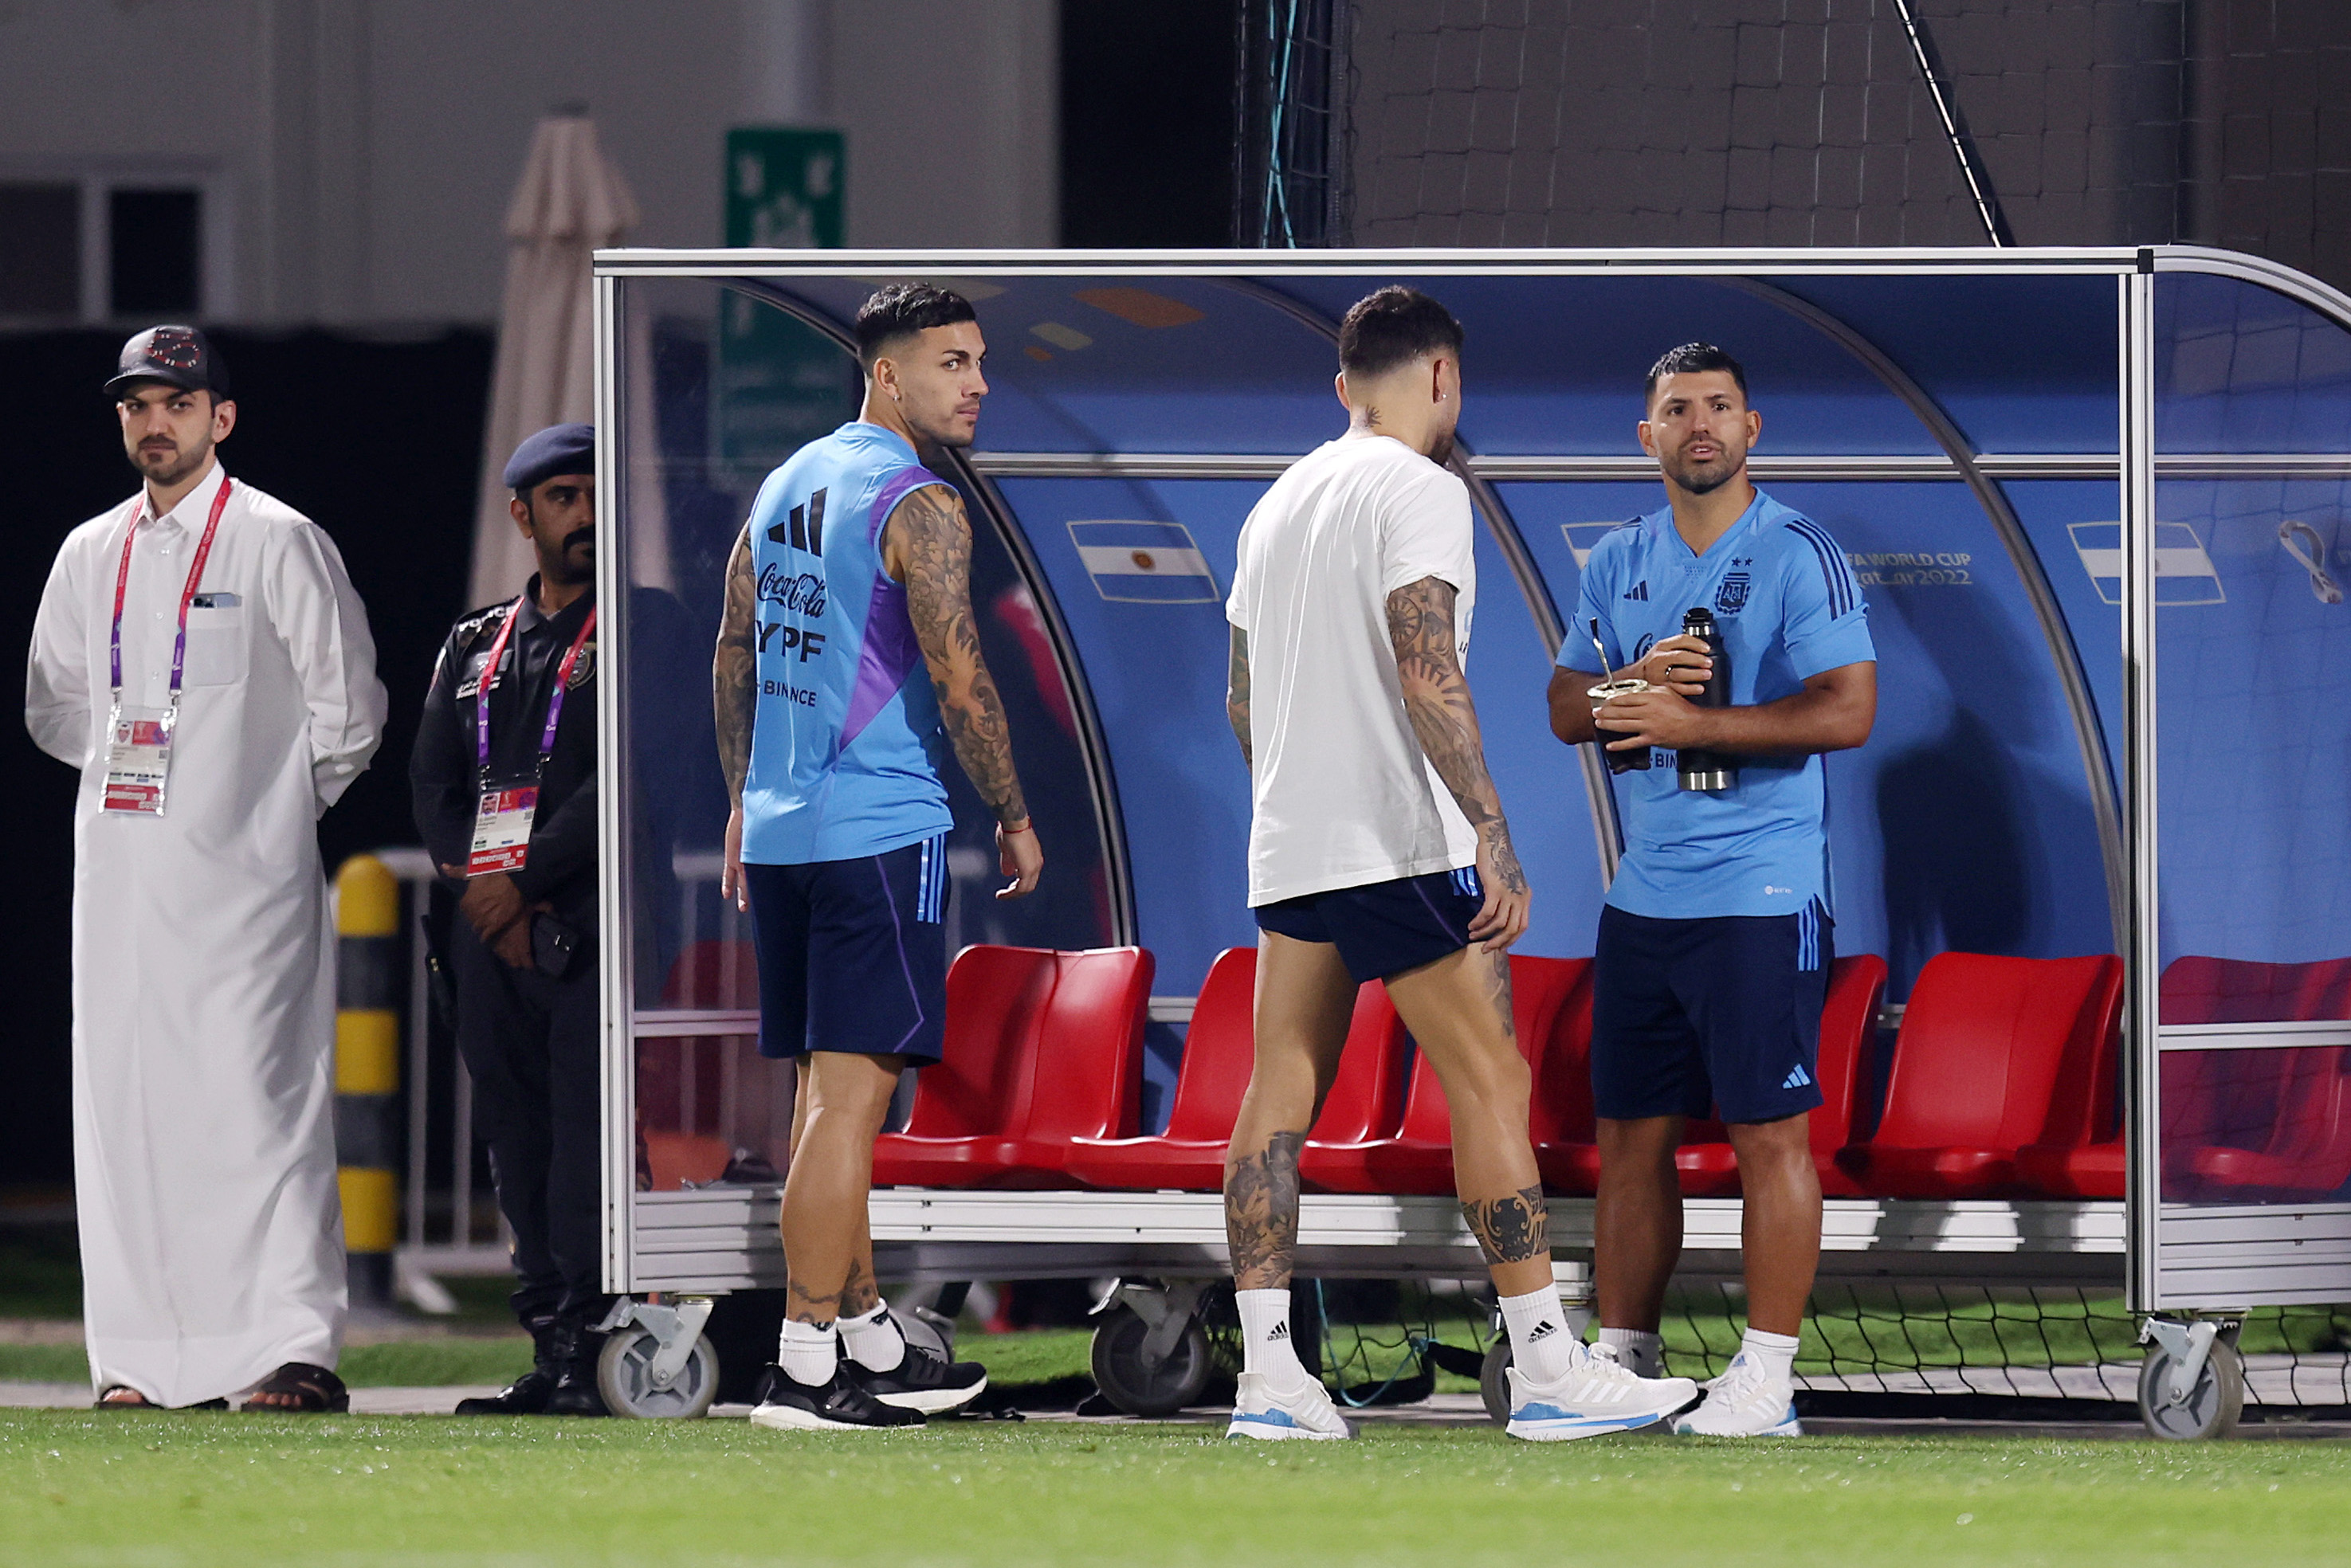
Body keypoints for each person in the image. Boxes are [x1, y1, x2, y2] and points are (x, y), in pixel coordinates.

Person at [1219, 286, 1698, 1443]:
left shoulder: (1275, 504)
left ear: (1345, 385)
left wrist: (1307, 794)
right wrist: (1488, 828)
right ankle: (1544, 1363)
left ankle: (1268, 1380)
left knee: (1276, 1089)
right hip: (1398, 839)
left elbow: (1239, 702)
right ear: (1440, 378)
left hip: (1294, 842)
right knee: (1490, 1081)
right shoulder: (1423, 490)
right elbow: (1428, 671)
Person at [26, 325, 386, 1413]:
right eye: (137, 404)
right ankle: (140, 1362)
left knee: (261, 1107)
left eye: (176, 403)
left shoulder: (279, 539)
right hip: (125, 886)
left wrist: (262, 812)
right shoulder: (90, 551)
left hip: (252, 890)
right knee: (125, 1108)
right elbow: (55, 704)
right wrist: (149, 800)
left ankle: (290, 1349)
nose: (155, 422)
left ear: (218, 419)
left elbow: (349, 713)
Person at [714, 283, 1041, 1433]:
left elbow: (735, 645)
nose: (977, 383)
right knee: (847, 1107)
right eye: (953, 362)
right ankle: (805, 1362)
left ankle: (861, 1332)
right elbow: (960, 678)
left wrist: (741, 802)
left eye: (979, 361)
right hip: (877, 826)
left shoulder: (790, 480)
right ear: (888, 375)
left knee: (820, 1097)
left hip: (790, 825)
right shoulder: (921, 503)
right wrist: (1011, 808)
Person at [1546, 343, 1878, 1438]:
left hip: (1760, 892)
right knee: (1628, 1140)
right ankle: (1625, 1363)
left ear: (1751, 430)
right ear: (1645, 437)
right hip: (1644, 901)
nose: (1700, 425)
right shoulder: (1617, 558)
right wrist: (1632, 681)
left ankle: (1765, 1376)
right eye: (1677, 409)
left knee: (1765, 1136)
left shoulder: (1796, 550)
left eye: (1720, 407)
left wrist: (1698, 727)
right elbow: (1562, 707)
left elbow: (1844, 711)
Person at [410, 422, 611, 1416]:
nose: (583, 514)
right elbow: (436, 786)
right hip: (487, 937)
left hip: (590, 926)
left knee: (584, 1141)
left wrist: (522, 886)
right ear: (522, 515)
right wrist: (486, 901)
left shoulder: (636, 623)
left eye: (592, 493)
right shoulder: (472, 642)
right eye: (562, 497)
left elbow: (618, 784)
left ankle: (594, 1345)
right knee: (511, 1140)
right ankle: (546, 1343)